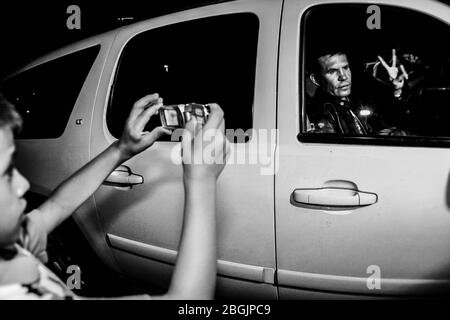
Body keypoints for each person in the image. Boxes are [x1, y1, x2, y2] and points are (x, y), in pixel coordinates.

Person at [0, 92, 228, 299]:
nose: (22, 184)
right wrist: (201, 181)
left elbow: (58, 205)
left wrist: (121, 148)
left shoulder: (14, 241)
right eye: (6, 174)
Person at [306, 48, 411, 135]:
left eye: (346, 68)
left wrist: (397, 89)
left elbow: (385, 120)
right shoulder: (322, 112)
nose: (343, 76)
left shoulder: (350, 100)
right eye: (332, 71)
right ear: (316, 79)